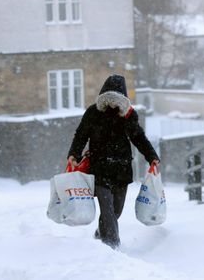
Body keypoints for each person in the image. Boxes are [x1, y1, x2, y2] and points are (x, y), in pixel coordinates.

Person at [67, 74, 159, 249]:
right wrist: (74, 154)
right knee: (108, 210)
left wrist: (152, 156)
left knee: (116, 210)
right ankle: (112, 246)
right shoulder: (93, 112)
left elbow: (138, 138)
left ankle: (102, 233)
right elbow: (81, 135)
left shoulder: (128, 115)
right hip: (100, 168)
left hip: (121, 169)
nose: (112, 103)